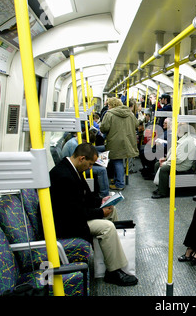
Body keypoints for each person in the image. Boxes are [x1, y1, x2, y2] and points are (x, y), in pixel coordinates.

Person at [49, 143, 138, 286]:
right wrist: (100, 212)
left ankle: (112, 254)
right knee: (107, 227)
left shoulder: (73, 169)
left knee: (111, 210)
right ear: (81, 158)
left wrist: (100, 201)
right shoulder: (63, 176)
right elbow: (74, 213)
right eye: (90, 164)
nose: (90, 168)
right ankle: (113, 271)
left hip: (73, 216)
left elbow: (85, 197)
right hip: (65, 224)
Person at [100, 97, 139, 191]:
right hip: (127, 140)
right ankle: (117, 179)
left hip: (114, 141)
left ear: (113, 105)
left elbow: (104, 128)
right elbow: (136, 124)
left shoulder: (109, 114)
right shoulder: (129, 113)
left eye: (109, 105)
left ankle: (120, 184)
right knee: (118, 161)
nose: (108, 107)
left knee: (117, 161)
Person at [60, 129, 110, 198]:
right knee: (102, 170)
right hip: (75, 168)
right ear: (86, 141)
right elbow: (78, 162)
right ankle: (104, 194)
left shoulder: (75, 141)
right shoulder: (73, 145)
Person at [151, 123, 196, 199]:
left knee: (164, 168)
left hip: (183, 165)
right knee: (157, 164)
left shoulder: (187, 141)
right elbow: (174, 153)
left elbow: (179, 159)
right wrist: (165, 159)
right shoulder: (182, 139)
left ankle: (163, 192)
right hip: (178, 162)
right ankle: (160, 187)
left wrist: (166, 163)